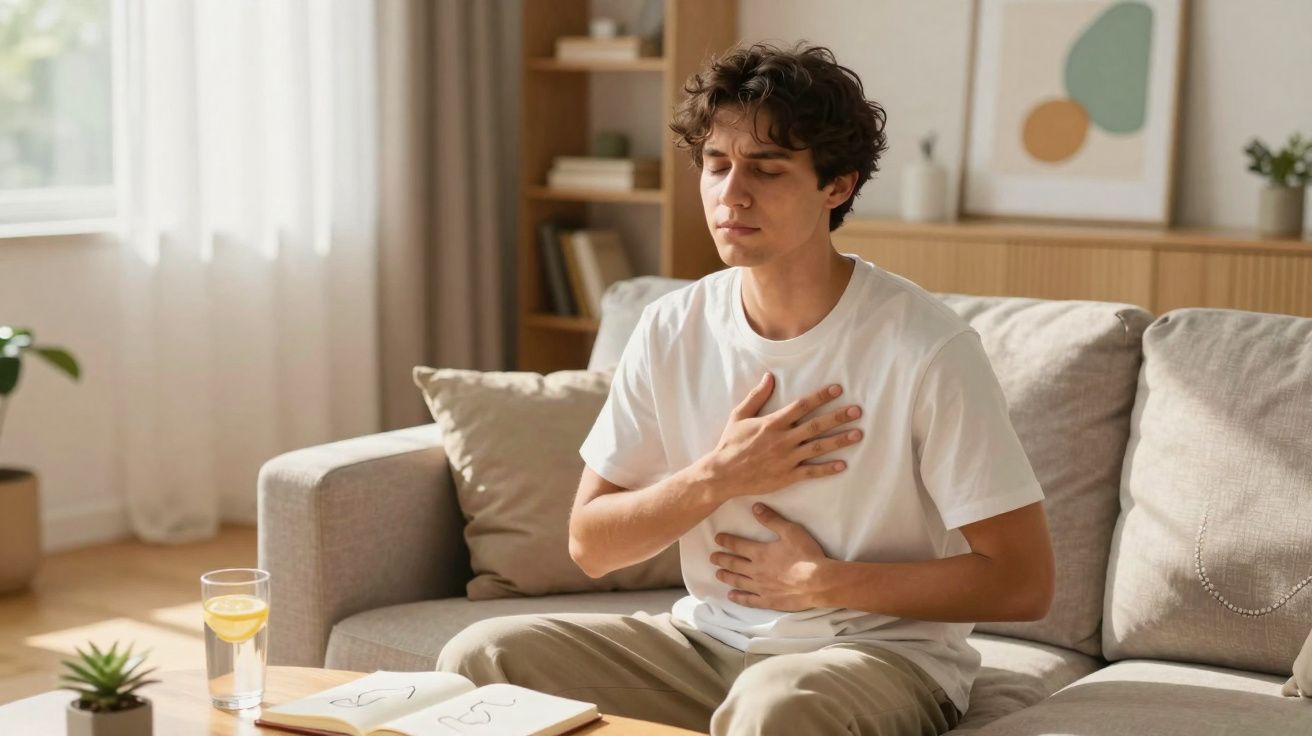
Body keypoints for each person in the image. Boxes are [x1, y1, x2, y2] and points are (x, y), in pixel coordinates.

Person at [437, 41, 1055, 736]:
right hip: (708, 647)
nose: (732, 193)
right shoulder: (671, 328)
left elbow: (1023, 580)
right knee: (481, 656)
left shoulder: (926, 347)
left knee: (779, 706)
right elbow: (591, 542)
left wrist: (826, 582)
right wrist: (718, 477)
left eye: (766, 169)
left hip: (873, 659)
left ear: (837, 186)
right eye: (717, 164)